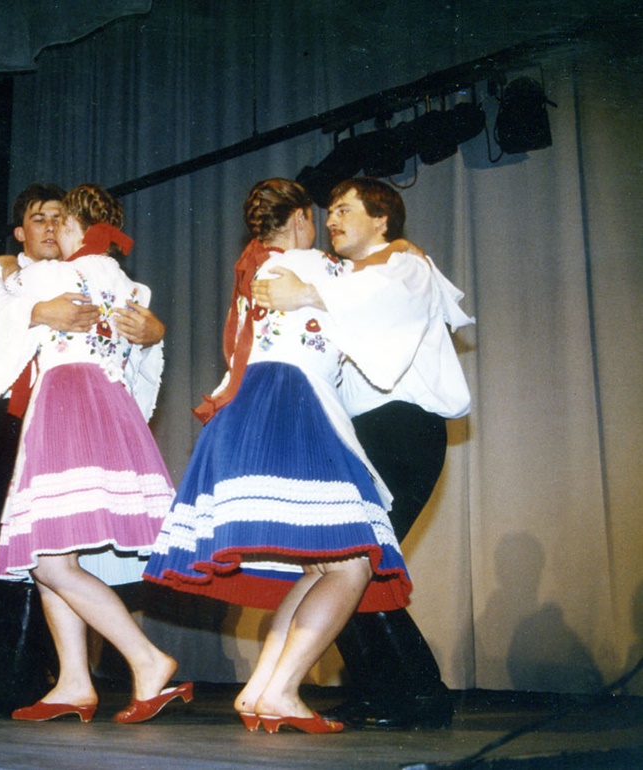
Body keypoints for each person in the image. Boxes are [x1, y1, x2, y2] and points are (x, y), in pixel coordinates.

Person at [145, 178, 414, 734]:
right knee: (352, 562)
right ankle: (284, 689)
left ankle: (262, 689)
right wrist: (400, 249)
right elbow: (377, 288)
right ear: (298, 220)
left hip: (256, 407)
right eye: (317, 217)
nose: (322, 229)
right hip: (294, 405)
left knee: (319, 566)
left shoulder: (259, 270)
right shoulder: (311, 266)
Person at [249, 177, 473, 729]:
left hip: (400, 428)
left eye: (346, 209)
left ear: (382, 219)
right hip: (354, 431)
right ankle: (381, 689)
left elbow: (382, 303)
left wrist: (305, 294)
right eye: (328, 212)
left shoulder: (403, 267)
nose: (331, 219)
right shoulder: (340, 275)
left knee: (359, 557)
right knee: (340, 557)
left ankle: (420, 693)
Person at [0, 182, 166, 718]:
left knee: (45, 550)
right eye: (38, 219)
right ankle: (59, 676)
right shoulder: (4, 273)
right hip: (8, 416)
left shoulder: (53, 273)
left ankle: (49, 675)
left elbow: (135, 336)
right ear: (22, 231)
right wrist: (35, 309)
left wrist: (151, 331)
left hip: (63, 412)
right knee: (1, 547)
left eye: (59, 217)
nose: (50, 226)